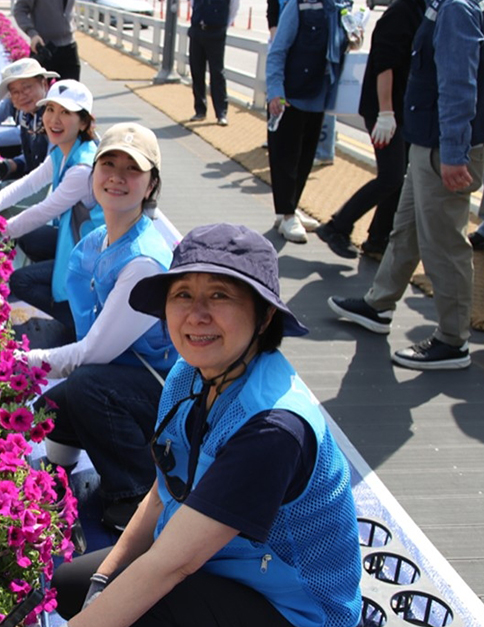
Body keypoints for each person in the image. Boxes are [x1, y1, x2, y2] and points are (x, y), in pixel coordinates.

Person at [52, 223, 363, 627]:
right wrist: (102, 578)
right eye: (182, 295)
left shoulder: (273, 427)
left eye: (220, 295)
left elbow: (171, 565)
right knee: (72, 589)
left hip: (294, 609)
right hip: (224, 568)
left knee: (139, 614)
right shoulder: (190, 374)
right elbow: (164, 492)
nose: (197, 315)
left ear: (265, 315)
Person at [25, 123, 178, 533]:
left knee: (87, 385)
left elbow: (93, 353)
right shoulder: (96, 240)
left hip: (162, 391)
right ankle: (56, 479)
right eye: (107, 164)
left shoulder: (143, 260)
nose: (116, 177)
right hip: (121, 377)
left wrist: (25, 364)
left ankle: (135, 493)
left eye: (132, 170)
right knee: (50, 408)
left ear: (150, 186)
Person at [328, 0, 484, 370]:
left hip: (441, 147)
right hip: (427, 142)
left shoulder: (456, 9)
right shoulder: (442, 7)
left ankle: (452, 339)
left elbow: (458, 83)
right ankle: (379, 304)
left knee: (444, 242)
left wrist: (453, 151)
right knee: (407, 229)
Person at [0, 80, 102, 336]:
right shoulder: (64, 151)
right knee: (30, 238)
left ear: (84, 122)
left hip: (91, 257)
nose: (54, 118)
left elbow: (44, 210)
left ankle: (78, 322)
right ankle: (61, 287)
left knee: (20, 281)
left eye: (66, 112)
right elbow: (29, 183)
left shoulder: (82, 167)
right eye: (51, 109)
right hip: (76, 241)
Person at [316, 0, 424, 260]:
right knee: (391, 176)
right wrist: (386, 113)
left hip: (405, 110)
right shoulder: (401, 13)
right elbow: (384, 66)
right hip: (385, 110)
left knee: (398, 178)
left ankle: (378, 239)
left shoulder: (425, 10)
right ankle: (337, 226)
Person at [266, 0, 357, 243]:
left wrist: (352, 39)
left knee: (306, 157)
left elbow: (338, 47)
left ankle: (290, 209)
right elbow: (278, 50)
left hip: (319, 94)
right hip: (292, 95)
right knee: (286, 158)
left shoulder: (338, 9)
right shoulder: (299, 6)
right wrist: (275, 90)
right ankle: (285, 215)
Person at [0, 58, 58, 182]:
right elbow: (35, 155)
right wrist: (11, 165)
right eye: (15, 92)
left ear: (44, 84)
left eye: (27, 87)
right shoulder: (29, 114)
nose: (22, 95)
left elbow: (50, 169)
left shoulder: (55, 118)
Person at [186, 0, 240, 126]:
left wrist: (222, 25)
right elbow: (193, 3)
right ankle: (200, 110)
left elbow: (234, 8)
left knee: (217, 73)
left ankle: (221, 113)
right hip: (197, 30)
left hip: (216, 31)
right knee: (197, 71)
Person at [13, 0, 81, 82]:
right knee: (38, 93)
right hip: (43, 47)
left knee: (71, 92)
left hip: (69, 48)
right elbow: (19, 10)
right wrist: (32, 33)